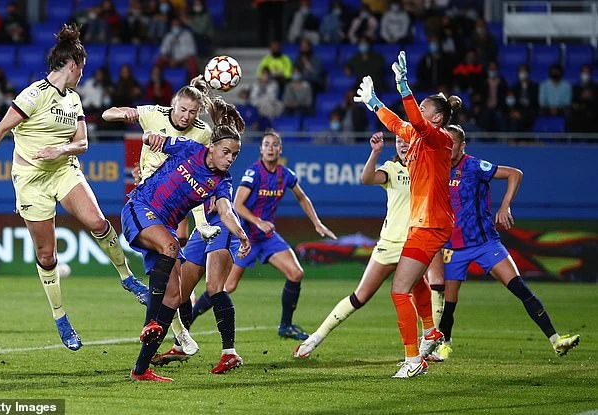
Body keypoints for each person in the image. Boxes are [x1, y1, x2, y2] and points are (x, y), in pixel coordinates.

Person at [0, 24, 148, 352]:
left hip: (63, 170)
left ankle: (127, 277)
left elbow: (82, 143)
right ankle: (60, 316)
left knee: (98, 222)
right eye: (82, 68)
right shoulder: (34, 95)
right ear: (73, 65)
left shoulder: (74, 99)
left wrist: (59, 150)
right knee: (47, 255)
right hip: (30, 180)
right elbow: (0, 129)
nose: (82, 74)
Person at [124, 105, 251, 382]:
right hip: (141, 207)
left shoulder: (222, 181)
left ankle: (140, 370)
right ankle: (151, 322)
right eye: (226, 152)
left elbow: (226, 210)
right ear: (212, 147)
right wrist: (149, 137)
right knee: (171, 248)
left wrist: (241, 234)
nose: (230, 159)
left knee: (174, 297)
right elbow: (154, 139)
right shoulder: (190, 148)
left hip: (164, 227)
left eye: (235, 155)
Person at [431, 124, 581, 360]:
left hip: (485, 243)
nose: (447, 147)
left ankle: (556, 340)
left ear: (463, 146)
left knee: (521, 289)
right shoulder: (436, 168)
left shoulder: (474, 166)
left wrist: (505, 206)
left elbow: (515, 173)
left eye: (452, 143)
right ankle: (445, 345)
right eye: (444, 143)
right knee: (449, 303)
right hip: (454, 248)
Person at [354, 51, 459, 378]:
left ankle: (413, 360)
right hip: (423, 223)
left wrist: (403, 86)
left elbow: (413, 120)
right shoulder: (417, 135)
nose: (418, 112)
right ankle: (430, 332)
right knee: (413, 285)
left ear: (436, 118)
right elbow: (397, 123)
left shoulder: (439, 138)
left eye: (424, 108)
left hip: (431, 224)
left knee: (399, 289)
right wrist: (373, 102)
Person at [102, 75, 221, 357]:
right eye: (182, 110)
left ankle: (158, 347)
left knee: (173, 285)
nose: (186, 116)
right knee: (170, 265)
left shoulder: (203, 133)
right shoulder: (153, 114)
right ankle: (176, 333)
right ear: (172, 105)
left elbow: (206, 171)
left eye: (193, 112)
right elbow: (107, 114)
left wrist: (204, 217)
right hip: (149, 202)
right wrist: (125, 113)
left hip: (175, 206)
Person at [294, 131, 437, 358]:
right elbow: (367, 178)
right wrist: (375, 153)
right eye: (399, 141)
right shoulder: (392, 169)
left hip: (414, 243)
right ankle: (314, 339)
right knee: (360, 297)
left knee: (416, 287)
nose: (402, 145)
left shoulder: (427, 168)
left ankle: (425, 341)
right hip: (389, 244)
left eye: (407, 141)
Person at [192, 130, 337, 341]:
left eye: (274, 145)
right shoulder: (253, 173)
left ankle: (285, 326)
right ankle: (188, 320)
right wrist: (258, 222)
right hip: (246, 236)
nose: (270, 148)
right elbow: (237, 205)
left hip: (267, 237)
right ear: (260, 149)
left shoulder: (285, 175)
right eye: (266, 144)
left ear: (280, 149)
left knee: (296, 273)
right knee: (226, 286)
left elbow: (302, 197)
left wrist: (317, 223)